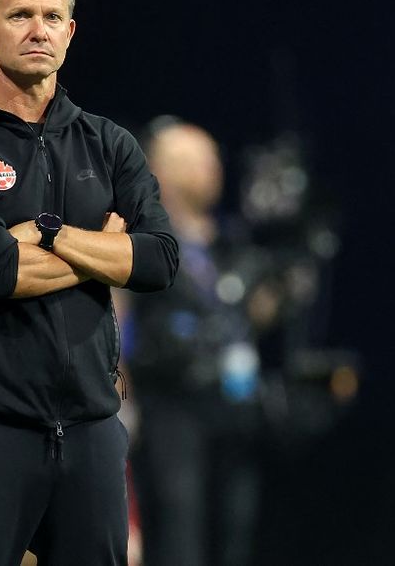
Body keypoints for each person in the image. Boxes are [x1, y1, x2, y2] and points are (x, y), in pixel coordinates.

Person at [0, 0, 179, 565]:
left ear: (71, 30)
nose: (38, 31)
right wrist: (104, 249)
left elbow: (160, 261)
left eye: (52, 17)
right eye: (20, 15)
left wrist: (46, 232)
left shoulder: (109, 144)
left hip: (90, 431)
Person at [127, 119, 263, 566]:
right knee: (177, 524)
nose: (212, 170)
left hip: (232, 406)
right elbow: (115, 314)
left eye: (213, 159)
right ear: (158, 169)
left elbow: (243, 318)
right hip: (168, 405)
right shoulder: (136, 237)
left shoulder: (230, 243)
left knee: (234, 526)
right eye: (195, 161)